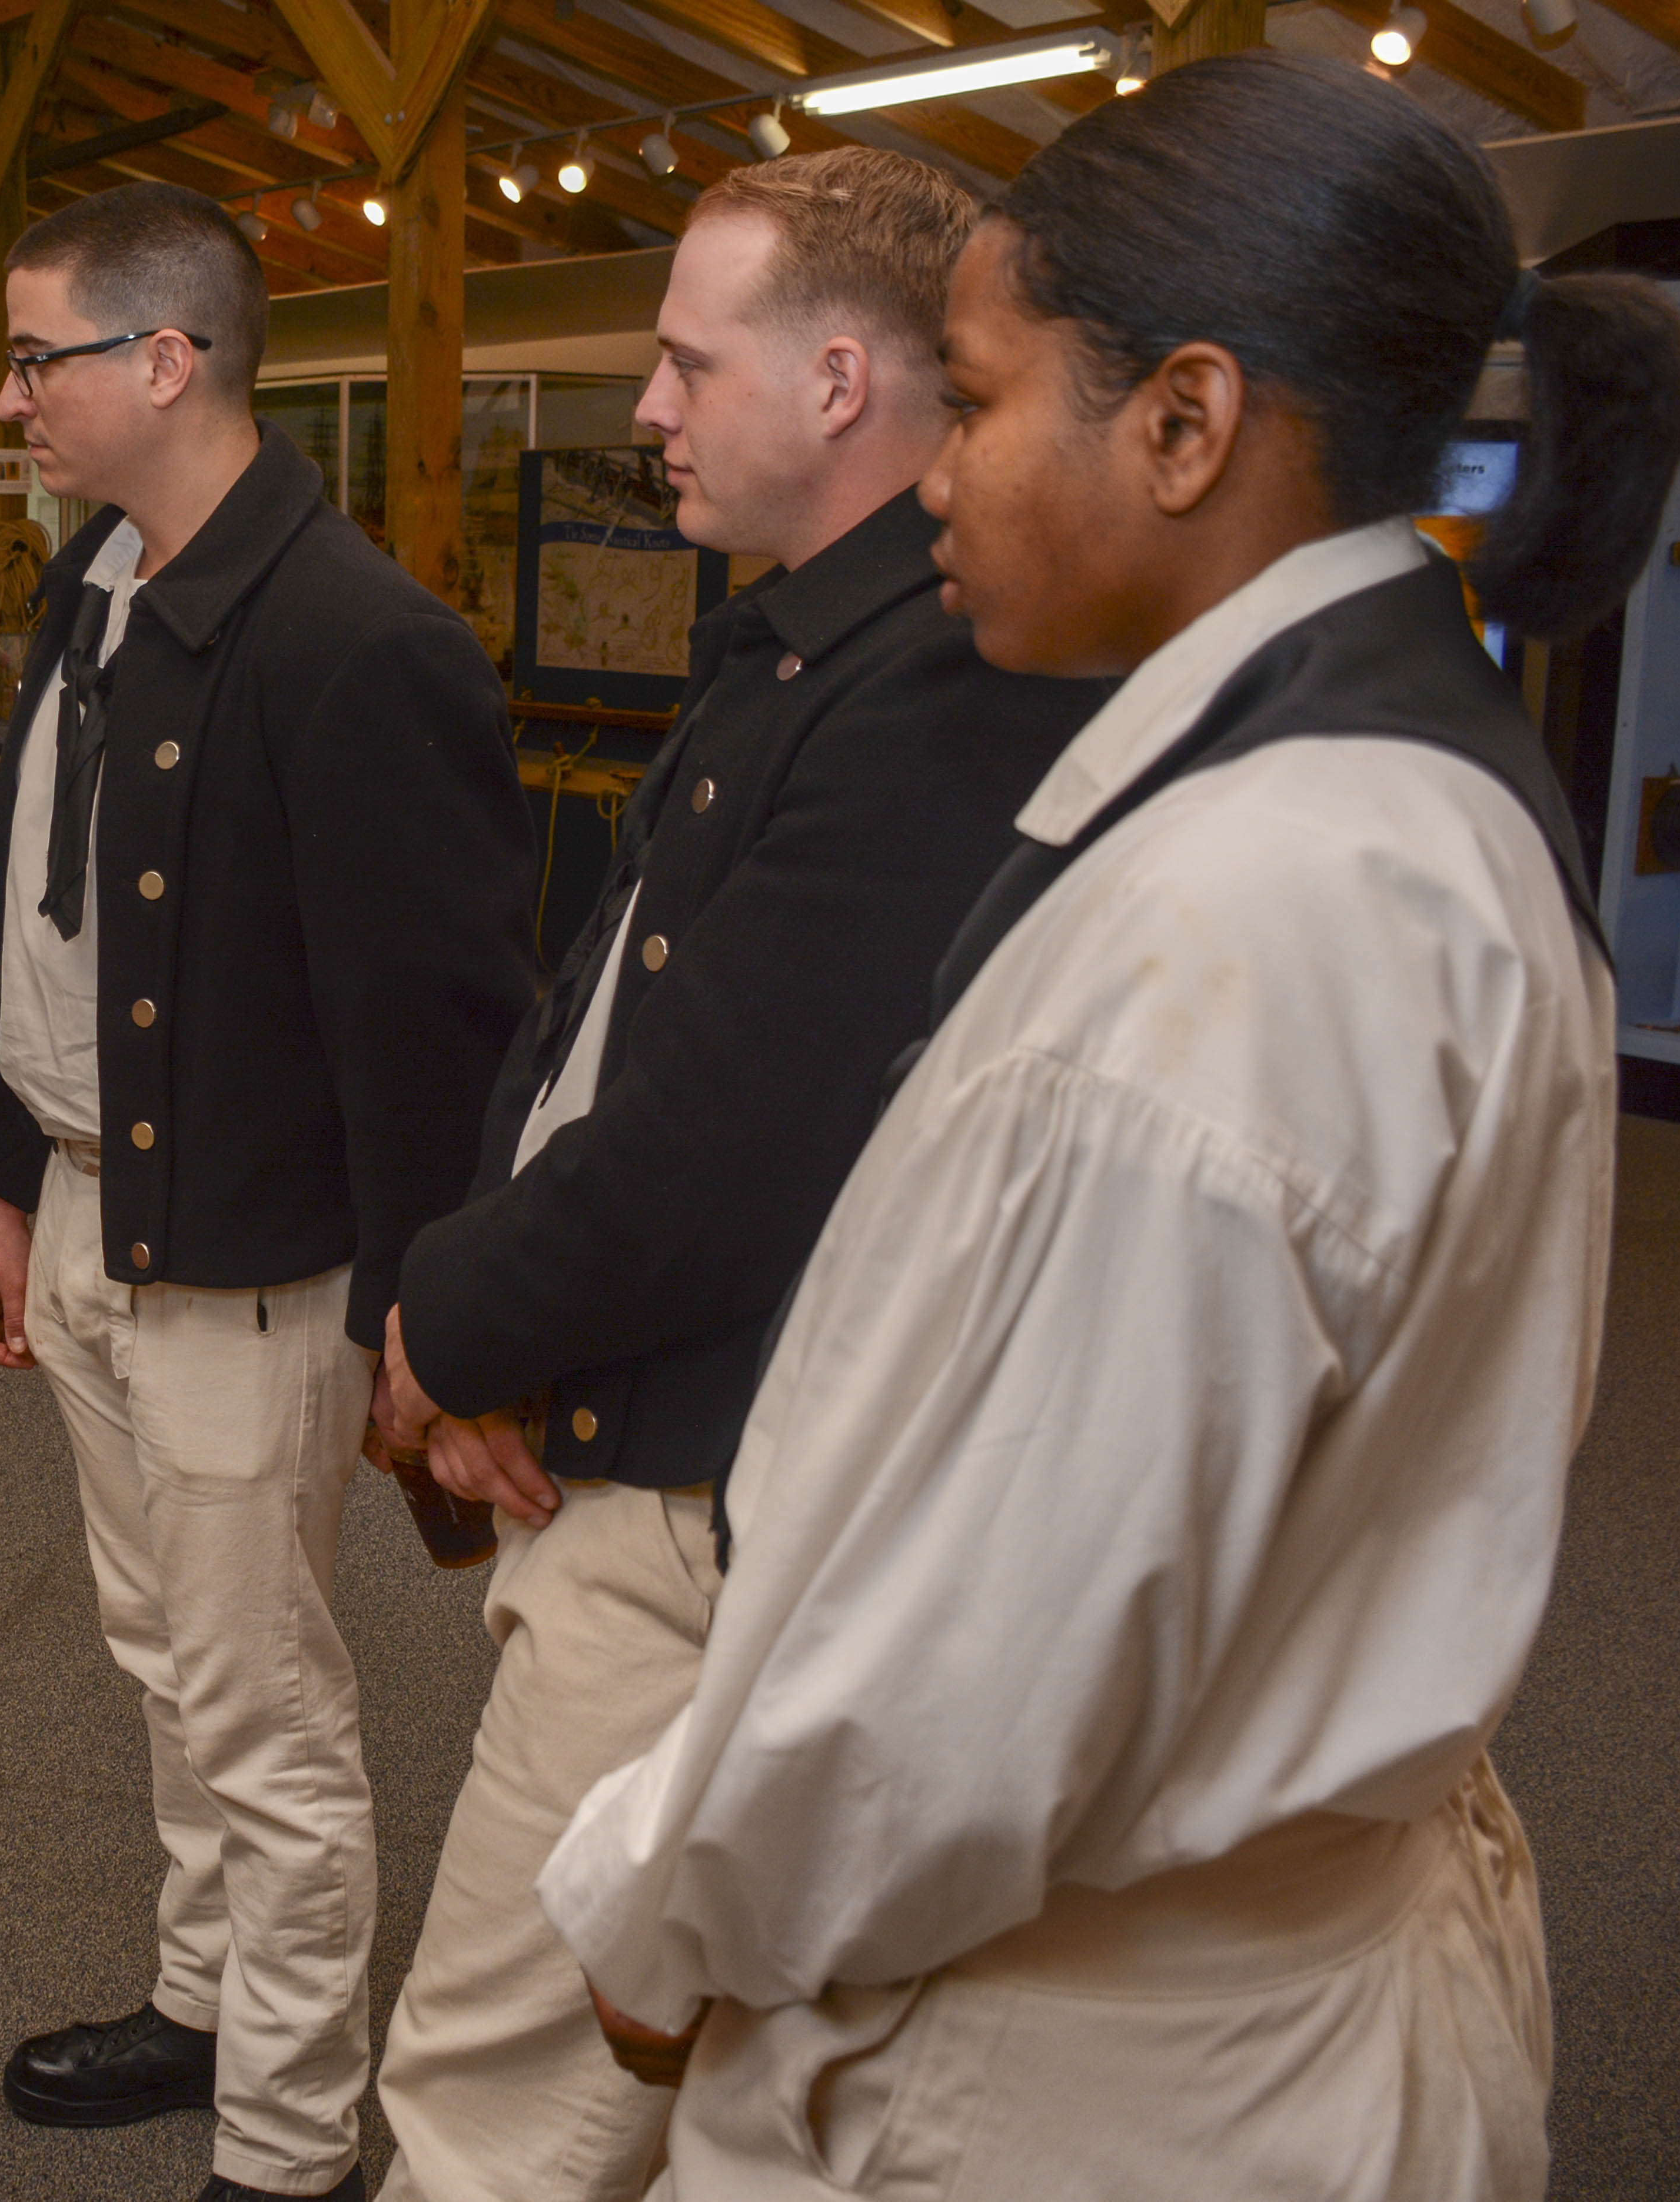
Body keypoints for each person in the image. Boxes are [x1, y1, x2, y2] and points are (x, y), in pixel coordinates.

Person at [535, 52, 1680, 2200]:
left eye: (972, 403)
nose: (940, 473)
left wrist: (672, 1913)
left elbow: (975, 1679)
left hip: (1089, 2077)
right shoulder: (1384, 803)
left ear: (1184, 421)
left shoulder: (1258, 914)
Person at [364, 149, 1113, 2202]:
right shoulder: (807, 646)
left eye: (690, 363)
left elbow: (724, 1148)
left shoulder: (938, 680)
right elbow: (608, 1027)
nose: (650, 411)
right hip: (644, 1422)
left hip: (717, 1498)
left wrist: (445, 1325)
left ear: (847, 378)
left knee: (494, 2118)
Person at [0, 181, 537, 2202]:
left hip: (257, 1265)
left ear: (164, 361)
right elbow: (40, 916)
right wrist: (10, 1183)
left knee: (263, 1708)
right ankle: (206, 2007)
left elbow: (440, 1030)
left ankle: (288, 2147)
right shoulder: (96, 577)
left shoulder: (365, 643)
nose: (9, 398)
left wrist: (416, 1326)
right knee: (160, 1652)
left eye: (36, 358)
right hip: (95, 1218)